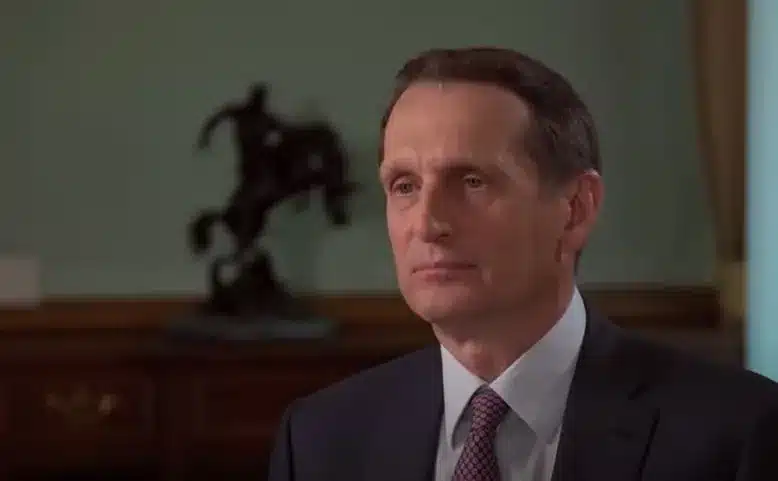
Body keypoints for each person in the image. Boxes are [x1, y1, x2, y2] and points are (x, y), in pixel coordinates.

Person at [266, 47, 778, 481]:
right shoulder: (320, 439)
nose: (426, 223)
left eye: (472, 182)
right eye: (405, 186)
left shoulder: (739, 433)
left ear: (575, 210)